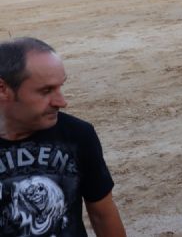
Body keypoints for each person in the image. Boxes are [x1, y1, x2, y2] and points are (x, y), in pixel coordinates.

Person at [0, 37, 126, 236]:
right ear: (3, 89)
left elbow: (103, 215)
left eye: (60, 87)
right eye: (46, 90)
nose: (62, 101)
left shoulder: (77, 135)